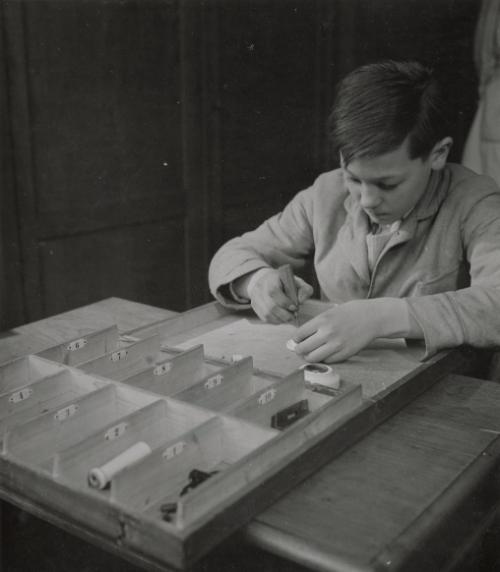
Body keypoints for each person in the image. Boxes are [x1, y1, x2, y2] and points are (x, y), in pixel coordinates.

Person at [209, 60, 500, 363]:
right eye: (354, 178)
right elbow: (233, 253)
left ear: (438, 154)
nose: (367, 201)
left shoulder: (475, 201)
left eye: (387, 184)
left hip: (439, 391)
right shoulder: (326, 194)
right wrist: (256, 282)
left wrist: (383, 317)